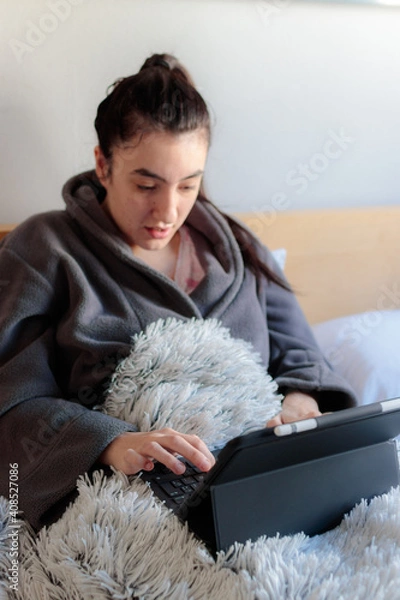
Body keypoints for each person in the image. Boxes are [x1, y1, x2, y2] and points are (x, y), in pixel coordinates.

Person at [0, 53, 356, 531]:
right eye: (146, 184)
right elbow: (12, 399)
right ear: (103, 165)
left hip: (263, 489)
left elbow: (302, 359)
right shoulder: (43, 248)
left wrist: (300, 405)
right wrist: (111, 442)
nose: (168, 210)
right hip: (128, 504)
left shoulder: (239, 250)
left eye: (189, 185)